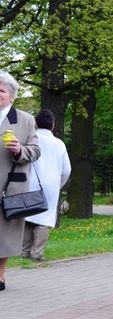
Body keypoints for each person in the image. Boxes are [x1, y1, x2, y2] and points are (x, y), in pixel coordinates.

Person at [0, 71, 40, 292]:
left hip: (10, 185)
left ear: (12, 96)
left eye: (2, 91)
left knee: (4, 234)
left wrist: (19, 150)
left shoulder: (25, 120)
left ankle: (1, 276)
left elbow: (35, 151)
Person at [21, 109, 71, 262]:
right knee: (44, 219)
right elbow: (66, 170)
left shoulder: (30, 140)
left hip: (30, 183)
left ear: (35, 123)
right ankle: (38, 253)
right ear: (53, 125)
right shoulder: (59, 144)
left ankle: (24, 251)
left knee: (28, 218)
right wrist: (58, 185)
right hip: (50, 185)